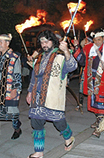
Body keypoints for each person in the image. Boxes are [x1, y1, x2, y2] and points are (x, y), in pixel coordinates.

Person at [26, 30, 78, 158]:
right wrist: (29, 92)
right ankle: (39, 151)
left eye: (46, 41)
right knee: (36, 122)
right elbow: (34, 76)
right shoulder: (39, 57)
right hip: (37, 96)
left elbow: (73, 66)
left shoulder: (61, 55)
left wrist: (66, 51)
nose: (44, 44)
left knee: (58, 121)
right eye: (42, 41)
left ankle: (69, 137)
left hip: (52, 96)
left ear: (53, 41)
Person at [73, 29, 104, 138]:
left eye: (99, 39)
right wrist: (77, 48)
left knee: (101, 103)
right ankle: (98, 120)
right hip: (91, 80)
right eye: (95, 40)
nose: (97, 42)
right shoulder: (88, 48)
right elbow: (81, 61)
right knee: (94, 103)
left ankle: (99, 127)